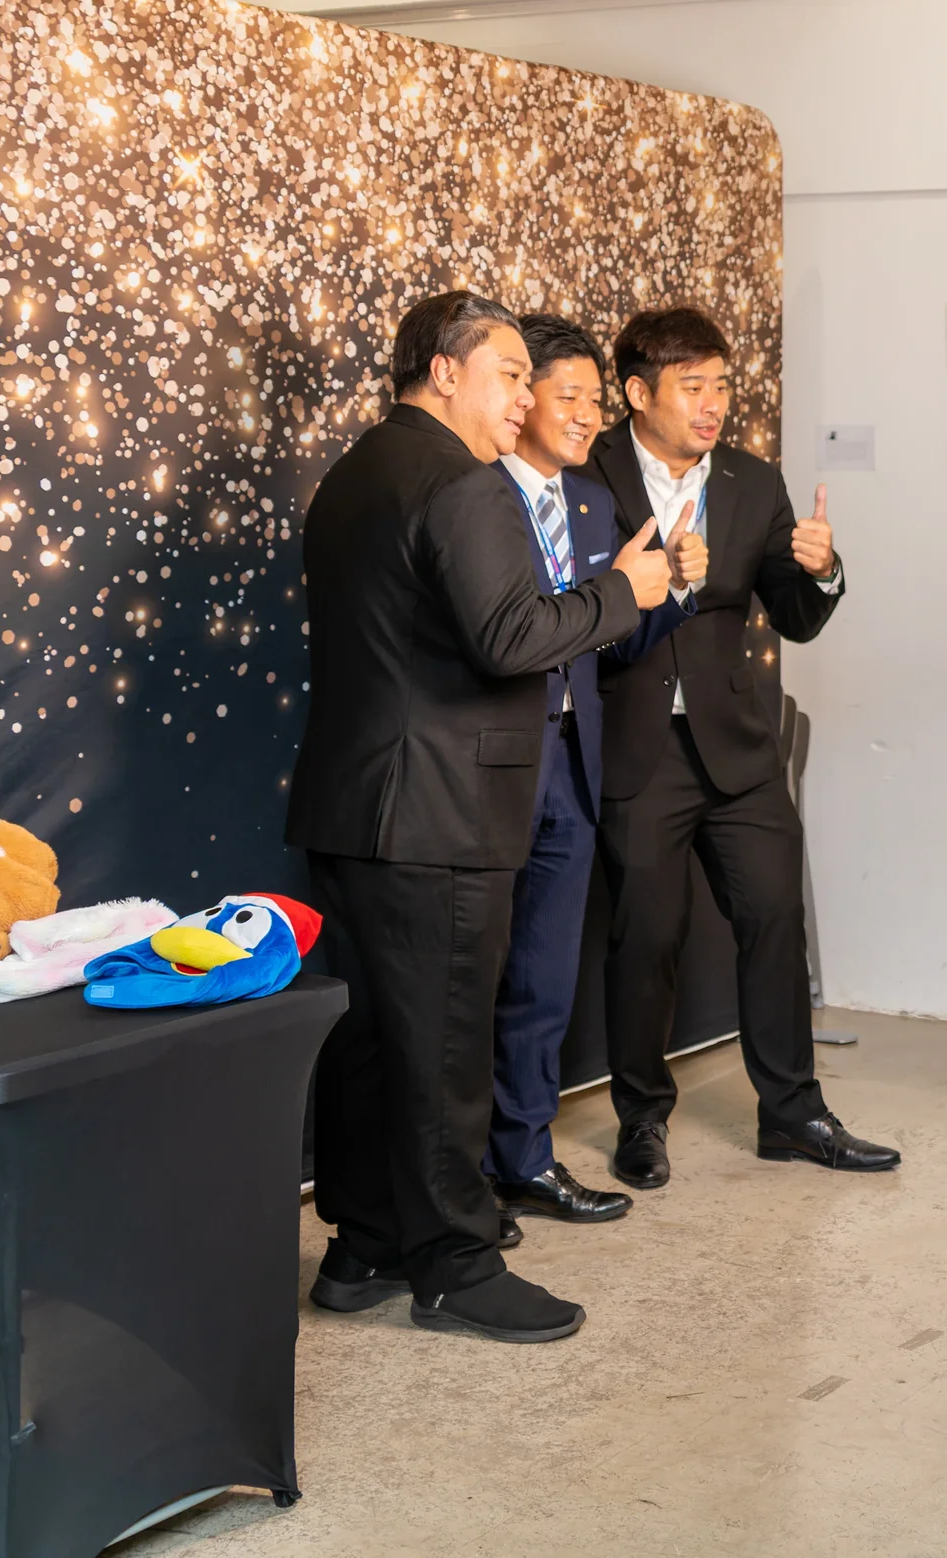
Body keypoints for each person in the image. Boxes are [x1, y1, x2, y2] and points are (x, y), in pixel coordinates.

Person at [289, 290, 675, 1343]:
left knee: (372, 1043)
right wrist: (625, 589)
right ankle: (457, 1262)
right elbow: (511, 636)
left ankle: (362, 1242)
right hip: (443, 811)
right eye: (508, 372)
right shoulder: (464, 486)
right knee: (449, 1044)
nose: (524, 395)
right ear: (444, 372)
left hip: (352, 806)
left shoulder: (354, 476)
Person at [587, 305, 898, 1183]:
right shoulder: (590, 473)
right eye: (694, 388)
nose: (714, 404)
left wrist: (821, 568)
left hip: (737, 747)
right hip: (638, 745)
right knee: (646, 937)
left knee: (773, 919)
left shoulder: (755, 484)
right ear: (639, 392)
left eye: (722, 385)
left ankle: (793, 1114)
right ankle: (642, 1119)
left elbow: (795, 619)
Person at [479, 314, 699, 1234]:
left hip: (573, 767)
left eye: (592, 401)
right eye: (567, 398)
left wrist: (669, 588)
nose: (584, 418)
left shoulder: (592, 505)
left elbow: (609, 637)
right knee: (472, 984)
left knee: (543, 982)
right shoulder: (473, 496)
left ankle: (525, 1158)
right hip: (490, 773)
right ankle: (457, 1175)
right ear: (521, 398)